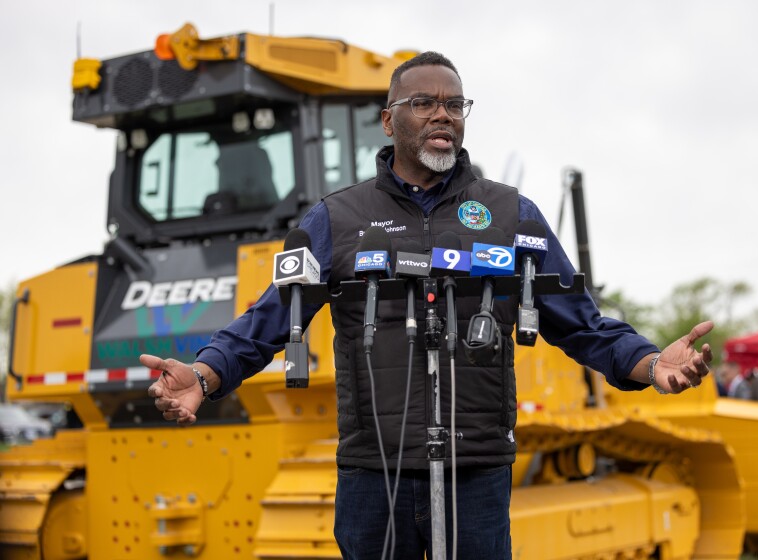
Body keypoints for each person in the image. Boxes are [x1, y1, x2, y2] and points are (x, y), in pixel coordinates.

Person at [142, 52, 714, 560]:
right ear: (390, 121)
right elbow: (267, 320)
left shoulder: (512, 215)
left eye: (455, 104)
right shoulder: (335, 219)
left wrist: (651, 362)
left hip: (477, 474)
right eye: (424, 103)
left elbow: (582, 325)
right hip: (373, 474)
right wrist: (203, 373)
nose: (444, 115)